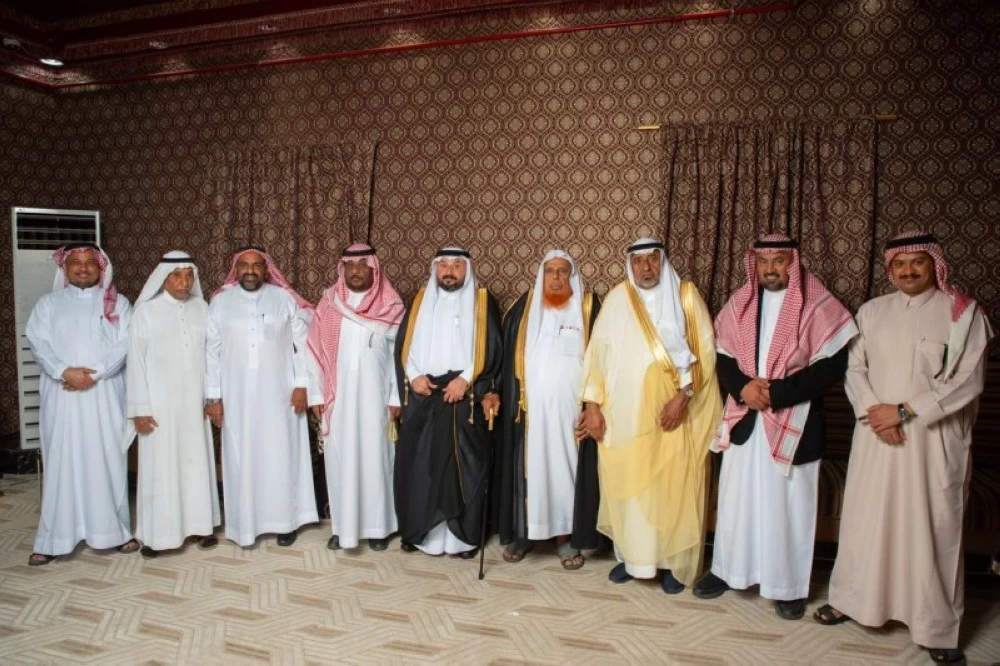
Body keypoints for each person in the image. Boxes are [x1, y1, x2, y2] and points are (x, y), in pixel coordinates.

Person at [817, 231, 992, 666]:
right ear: (890, 268)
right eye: (900, 264)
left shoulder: (963, 314)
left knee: (932, 529)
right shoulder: (872, 311)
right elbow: (854, 369)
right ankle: (853, 601)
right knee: (867, 520)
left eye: (918, 262)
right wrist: (875, 413)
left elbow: (968, 380)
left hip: (932, 442)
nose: (908, 271)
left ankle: (936, 627)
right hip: (875, 434)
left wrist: (904, 411)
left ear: (935, 264)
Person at [692, 234, 857, 619]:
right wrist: (744, 388)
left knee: (789, 505)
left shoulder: (819, 305)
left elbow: (831, 366)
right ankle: (728, 570)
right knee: (737, 499)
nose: (769, 269)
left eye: (778, 261)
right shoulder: (740, 302)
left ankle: (787, 586)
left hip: (794, 419)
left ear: (792, 263)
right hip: (745, 416)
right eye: (763, 262)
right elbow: (722, 355)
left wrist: (776, 394)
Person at [578, 238, 721, 592]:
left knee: (672, 488)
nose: (646, 268)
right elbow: (596, 356)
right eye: (638, 261)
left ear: (662, 262)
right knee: (632, 489)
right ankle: (634, 559)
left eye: (652, 260)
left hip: (672, 414)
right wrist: (592, 407)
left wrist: (683, 398)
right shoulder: (617, 299)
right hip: (624, 417)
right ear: (630, 264)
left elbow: (705, 352)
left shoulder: (686, 296)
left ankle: (671, 563)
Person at [26, 243, 138, 565]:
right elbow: (38, 342)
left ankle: (114, 532)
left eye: (91, 262)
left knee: (107, 458)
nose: (84, 268)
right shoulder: (48, 304)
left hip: (105, 392)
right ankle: (54, 538)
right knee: (61, 460)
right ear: (65, 268)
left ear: (102, 268)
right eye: (76, 262)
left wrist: (95, 374)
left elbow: (125, 343)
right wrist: (65, 371)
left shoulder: (119, 303)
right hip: (61, 392)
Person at [205, 245, 319, 547]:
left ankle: (285, 522)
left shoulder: (283, 299)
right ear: (236, 269)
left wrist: (302, 384)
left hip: (281, 394)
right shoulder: (220, 302)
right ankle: (245, 524)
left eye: (256, 265)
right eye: (244, 265)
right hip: (236, 396)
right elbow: (211, 352)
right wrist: (213, 397)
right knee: (242, 456)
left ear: (267, 269)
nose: (250, 270)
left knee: (281, 454)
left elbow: (303, 344)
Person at [393, 247, 502, 558]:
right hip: (425, 394)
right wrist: (413, 375)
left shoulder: (482, 302)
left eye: (456, 265)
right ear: (435, 270)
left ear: (467, 269)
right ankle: (421, 534)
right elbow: (405, 346)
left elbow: (492, 348)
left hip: (462, 396)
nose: (449, 271)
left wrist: (465, 379)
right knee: (421, 467)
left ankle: (463, 539)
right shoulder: (420, 301)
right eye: (443, 265)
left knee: (462, 469)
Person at [497, 250, 602, 570]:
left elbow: (603, 362)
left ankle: (565, 538)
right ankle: (525, 533)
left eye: (563, 271)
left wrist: (592, 407)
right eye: (550, 271)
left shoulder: (588, 309)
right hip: (527, 413)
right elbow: (502, 357)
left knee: (566, 473)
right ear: (541, 275)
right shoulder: (522, 310)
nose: (556, 277)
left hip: (571, 413)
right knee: (528, 470)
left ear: (572, 276)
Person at [306, 244, 405, 552]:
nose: (356, 271)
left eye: (363, 265)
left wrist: (395, 397)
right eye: (350, 265)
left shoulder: (392, 307)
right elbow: (313, 354)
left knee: (377, 460)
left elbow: (399, 358)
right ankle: (343, 529)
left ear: (374, 269)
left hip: (377, 401)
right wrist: (316, 393)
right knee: (340, 460)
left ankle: (379, 528)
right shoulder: (328, 305)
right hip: (338, 400)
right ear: (342, 269)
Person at [127, 251, 221, 557]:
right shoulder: (146, 312)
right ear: (162, 278)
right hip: (159, 407)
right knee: (161, 467)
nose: (184, 282)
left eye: (189, 275)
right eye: (176, 276)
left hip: (194, 404)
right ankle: (157, 536)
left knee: (196, 464)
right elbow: (135, 363)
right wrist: (139, 409)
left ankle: (201, 527)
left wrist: (212, 397)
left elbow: (212, 356)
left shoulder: (202, 308)